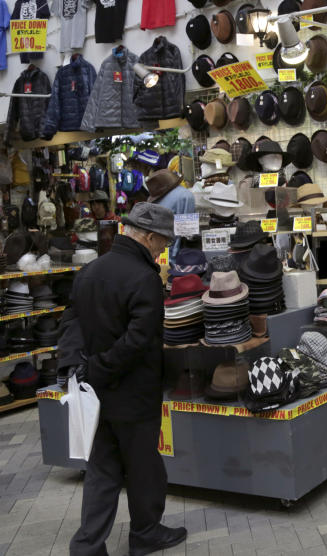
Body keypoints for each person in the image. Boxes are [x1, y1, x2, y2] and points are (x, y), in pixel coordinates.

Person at [59, 202, 187, 556]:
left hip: (95, 392)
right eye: (163, 241)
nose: (164, 248)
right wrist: (100, 367)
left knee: (102, 470)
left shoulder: (90, 271)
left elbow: (71, 320)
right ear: (147, 237)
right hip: (133, 392)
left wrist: (74, 366)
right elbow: (138, 339)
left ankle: (87, 546)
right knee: (144, 468)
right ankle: (145, 533)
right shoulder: (144, 278)